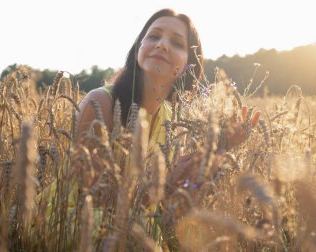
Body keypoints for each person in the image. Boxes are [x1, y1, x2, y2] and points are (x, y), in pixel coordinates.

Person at [76, 8, 260, 195]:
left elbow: (166, 206)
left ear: (189, 64)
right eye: (154, 36)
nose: (162, 45)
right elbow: (94, 201)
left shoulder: (174, 124)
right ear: (139, 47)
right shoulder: (100, 103)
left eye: (177, 43)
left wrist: (223, 145)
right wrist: (166, 186)